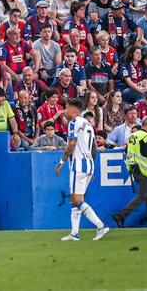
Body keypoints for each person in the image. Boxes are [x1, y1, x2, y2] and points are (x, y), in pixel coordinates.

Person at [55, 98, 110, 241]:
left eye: (66, 109)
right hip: (88, 164)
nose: (65, 112)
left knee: (77, 199)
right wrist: (91, 168)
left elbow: (71, 144)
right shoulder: (88, 124)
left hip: (78, 164)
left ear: (73, 110)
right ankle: (74, 233)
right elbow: (94, 148)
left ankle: (100, 226)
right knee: (75, 199)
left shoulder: (74, 123)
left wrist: (62, 161)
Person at [112, 115, 147, 228]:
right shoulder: (145, 136)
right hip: (142, 170)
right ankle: (121, 215)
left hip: (134, 169)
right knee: (144, 195)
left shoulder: (133, 136)